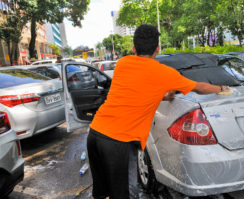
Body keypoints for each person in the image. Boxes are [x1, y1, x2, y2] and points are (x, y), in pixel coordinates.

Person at [87, 24, 230, 199]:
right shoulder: (164, 73)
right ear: (158, 48)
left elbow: (135, 92)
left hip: (95, 134)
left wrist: (161, 96)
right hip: (118, 143)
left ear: (133, 48)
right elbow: (199, 88)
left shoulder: (122, 63)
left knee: (101, 193)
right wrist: (221, 88)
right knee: (125, 194)